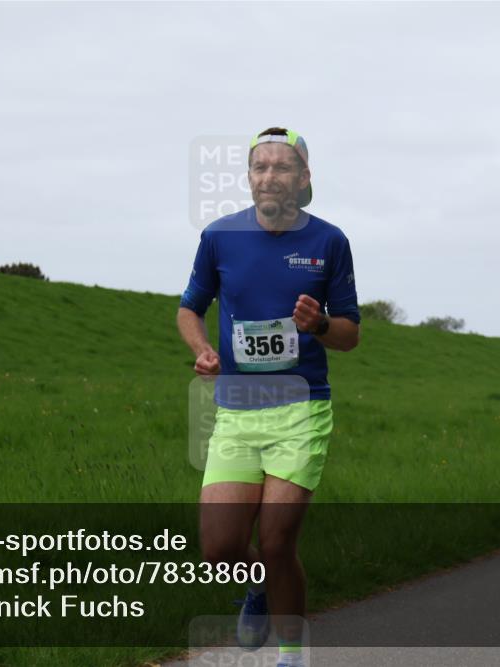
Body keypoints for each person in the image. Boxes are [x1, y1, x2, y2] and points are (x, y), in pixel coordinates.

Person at [178, 128, 360, 667]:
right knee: (219, 550)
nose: (270, 176)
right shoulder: (219, 237)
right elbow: (190, 306)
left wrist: (321, 324)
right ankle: (257, 589)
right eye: (260, 167)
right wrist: (203, 348)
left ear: (304, 179)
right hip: (236, 408)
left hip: (301, 408)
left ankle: (291, 655)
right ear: (249, 178)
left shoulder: (329, 242)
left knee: (279, 541)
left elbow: (349, 335)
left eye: (283, 167)